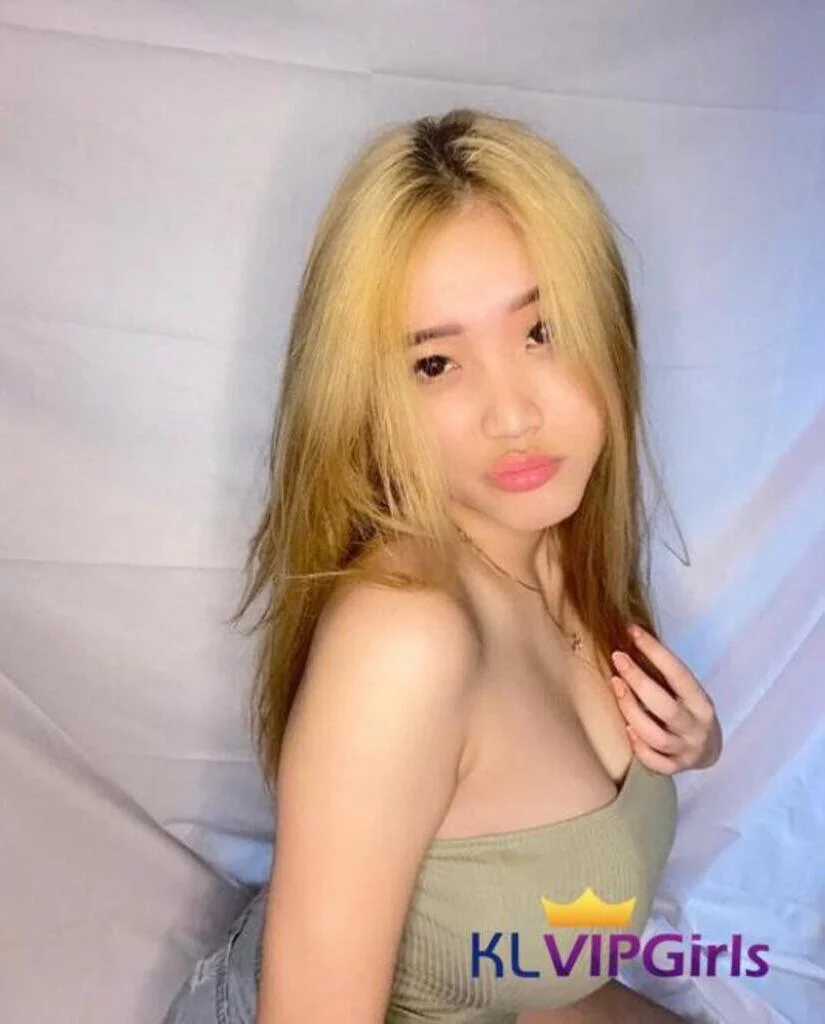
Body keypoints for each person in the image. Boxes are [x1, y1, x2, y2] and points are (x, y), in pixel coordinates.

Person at [163, 107, 723, 1024]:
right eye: (434, 363)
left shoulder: (558, 553)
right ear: (369, 396)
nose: (512, 415)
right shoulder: (404, 643)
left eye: (542, 331)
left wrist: (694, 746)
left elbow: (539, 920)